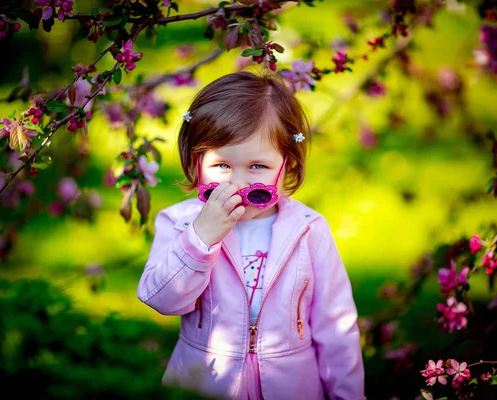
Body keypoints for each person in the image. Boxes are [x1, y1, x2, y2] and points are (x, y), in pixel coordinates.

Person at [137, 70, 366, 400]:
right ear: (195, 161)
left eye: (257, 167)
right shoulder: (180, 224)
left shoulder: (308, 230)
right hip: (204, 384)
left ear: (286, 165)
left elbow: (336, 326)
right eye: (222, 166)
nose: (239, 184)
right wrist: (200, 239)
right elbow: (161, 299)